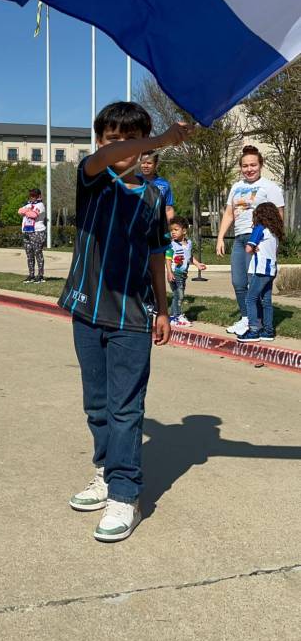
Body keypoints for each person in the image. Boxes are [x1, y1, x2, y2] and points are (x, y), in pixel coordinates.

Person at [58, 101, 192, 542]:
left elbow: (157, 257)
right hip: (87, 310)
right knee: (96, 405)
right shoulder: (92, 180)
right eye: (112, 138)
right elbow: (101, 160)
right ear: (100, 141)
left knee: (126, 409)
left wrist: (164, 309)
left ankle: (124, 493)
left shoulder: (154, 198)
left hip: (133, 317)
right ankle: (104, 471)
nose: (120, 147)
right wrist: (159, 139)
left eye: (128, 139)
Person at [216, 146, 284, 336]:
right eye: (245, 166)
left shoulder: (271, 187)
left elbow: (279, 217)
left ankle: (258, 323)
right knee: (238, 282)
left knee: (253, 282)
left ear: (261, 165)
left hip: (259, 240)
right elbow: (229, 213)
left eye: (253, 165)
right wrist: (220, 237)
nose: (249, 169)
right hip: (239, 238)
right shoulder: (236, 187)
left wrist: (274, 246)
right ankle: (247, 318)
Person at [237, 202, 283, 343]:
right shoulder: (274, 232)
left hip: (261, 269)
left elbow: (248, 249)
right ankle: (268, 331)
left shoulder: (259, 229)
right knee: (266, 300)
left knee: (251, 298)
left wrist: (251, 245)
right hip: (271, 269)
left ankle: (254, 330)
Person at [165, 216, 207, 327]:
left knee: (177, 295)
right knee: (179, 295)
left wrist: (198, 264)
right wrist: (169, 272)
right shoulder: (171, 245)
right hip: (175, 273)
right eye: (171, 230)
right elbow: (168, 259)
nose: (173, 232)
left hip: (183, 275)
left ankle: (174, 316)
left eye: (176, 229)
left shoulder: (188, 243)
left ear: (184, 230)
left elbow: (190, 257)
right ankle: (176, 316)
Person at [18, 188, 46, 283]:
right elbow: (19, 211)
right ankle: (31, 275)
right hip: (27, 231)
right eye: (31, 195)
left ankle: (41, 275)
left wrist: (26, 211)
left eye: (34, 195)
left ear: (39, 196)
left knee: (38, 253)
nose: (32, 197)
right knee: (29, 254)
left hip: (37, 232)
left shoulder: (40, 205)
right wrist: (27, 210)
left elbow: (33, 215)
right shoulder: (28, 204)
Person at [140, 151, 175, 221]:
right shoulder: (133, 181)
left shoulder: (164, 184)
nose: (145, 166)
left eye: (149, 163)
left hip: (156, 227)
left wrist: (169, 227)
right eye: (143, 163)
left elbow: (168, 209)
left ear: (156, 164)